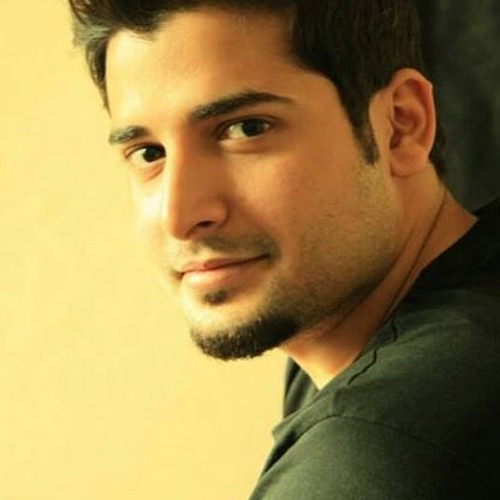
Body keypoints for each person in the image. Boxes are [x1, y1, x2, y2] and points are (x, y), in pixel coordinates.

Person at [68, 0, 500, 497]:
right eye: (149, 153)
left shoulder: (373, 453)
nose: (180, 215)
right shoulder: (338, 317)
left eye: (246, 128)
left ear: (401, 125)